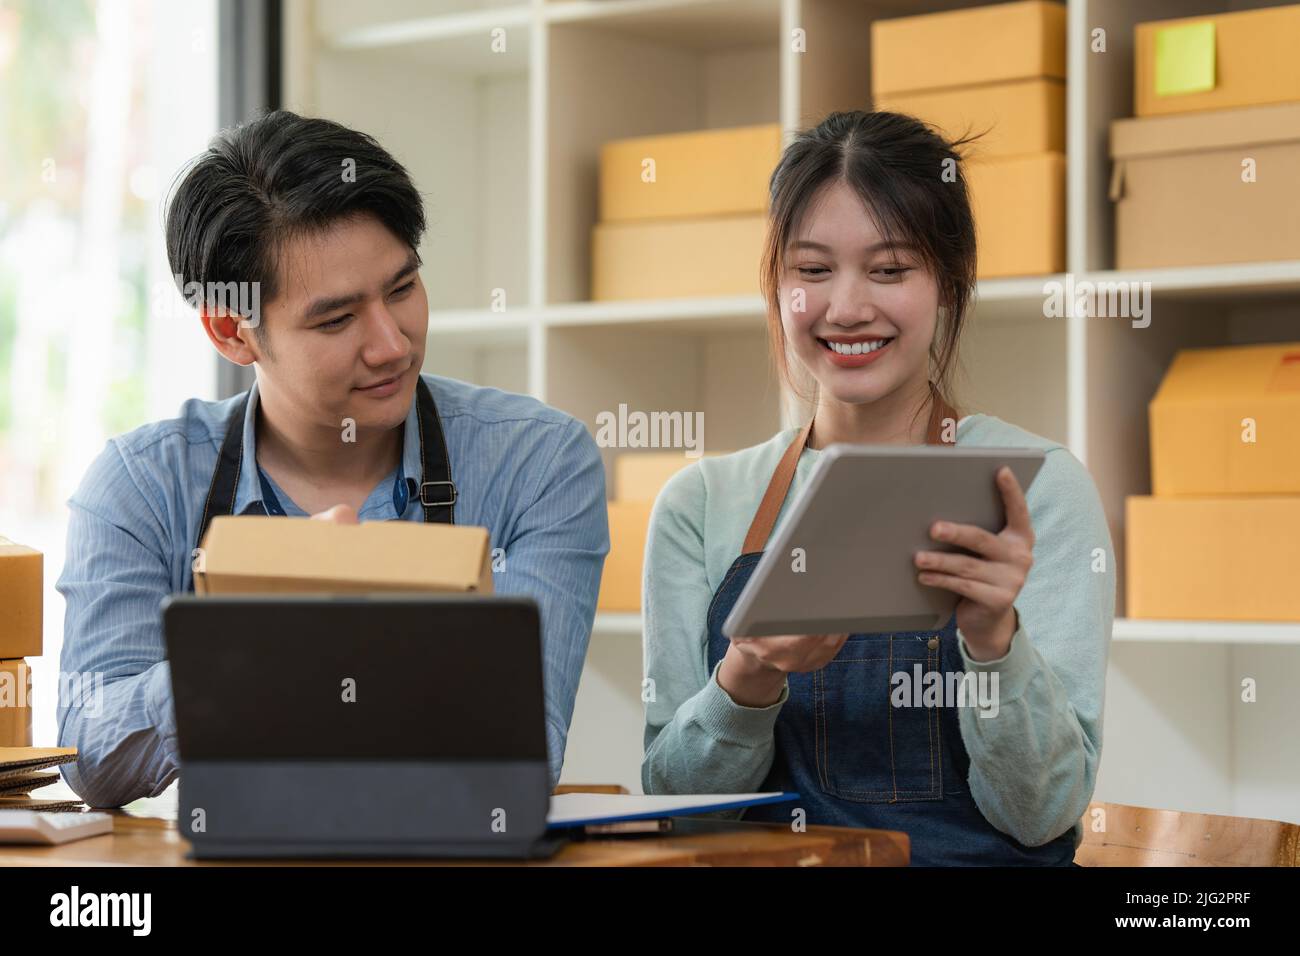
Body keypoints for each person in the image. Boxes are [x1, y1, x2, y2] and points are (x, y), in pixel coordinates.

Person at [55, 110, 608, 806]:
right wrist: (254, 645)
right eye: (337, 319)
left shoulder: (538, 463)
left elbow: (527, 751)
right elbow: (89, 754)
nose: (392, 344)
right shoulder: (141, 484)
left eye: (403, 288)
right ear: (232, 331)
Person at [641, 110, 1114, 866]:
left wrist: (995, 644)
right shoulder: (699, 506)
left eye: (890, 270)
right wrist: (748, 677)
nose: (847, 307)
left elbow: (1042, 815)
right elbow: (674, 816)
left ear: (949, 283)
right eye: (812, 270)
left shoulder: (1035, 489)